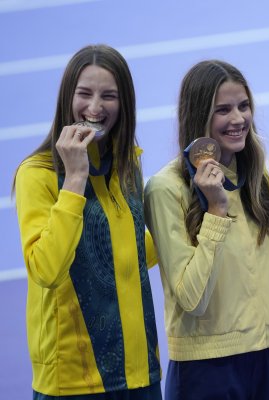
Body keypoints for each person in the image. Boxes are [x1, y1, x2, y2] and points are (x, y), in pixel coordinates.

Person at [13, 45, 162, 399]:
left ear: (123, 103)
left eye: (108, 96)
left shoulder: (127, 164)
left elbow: (130, 255)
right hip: (74, 379)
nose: (95, 107)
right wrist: (75, 180)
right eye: (85, 94)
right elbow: (46, 269)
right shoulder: (37, 174)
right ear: (68, 97)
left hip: (139, 371)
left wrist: (190, 220)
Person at [143, 60, 269, 400]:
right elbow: (192, 299)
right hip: (206, 368)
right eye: (222, 110)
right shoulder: (166, 188)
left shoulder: (257, 178)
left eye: (243, 106)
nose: (238, 119)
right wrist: (215, 209)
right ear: (197, 116)